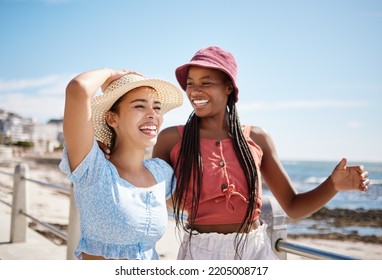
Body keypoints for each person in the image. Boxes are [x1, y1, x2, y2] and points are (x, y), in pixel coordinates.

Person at [151, 46, 371, 260]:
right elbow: (151, 197)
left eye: (206, 83)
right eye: (190, 84)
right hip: (198, 253)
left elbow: (294, 207)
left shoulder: (257, 138)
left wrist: (333, 185)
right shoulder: (171, 139)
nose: (195, 91)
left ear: (228, 87)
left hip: (254, 253)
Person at [59, 68, 183, 260]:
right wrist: (112, 72)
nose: (152, 114)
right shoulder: (93, 170)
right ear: (112, 118)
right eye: (139, 106)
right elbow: (78, 89)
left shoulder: (161, 173)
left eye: (156, 107)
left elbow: (199, 204)